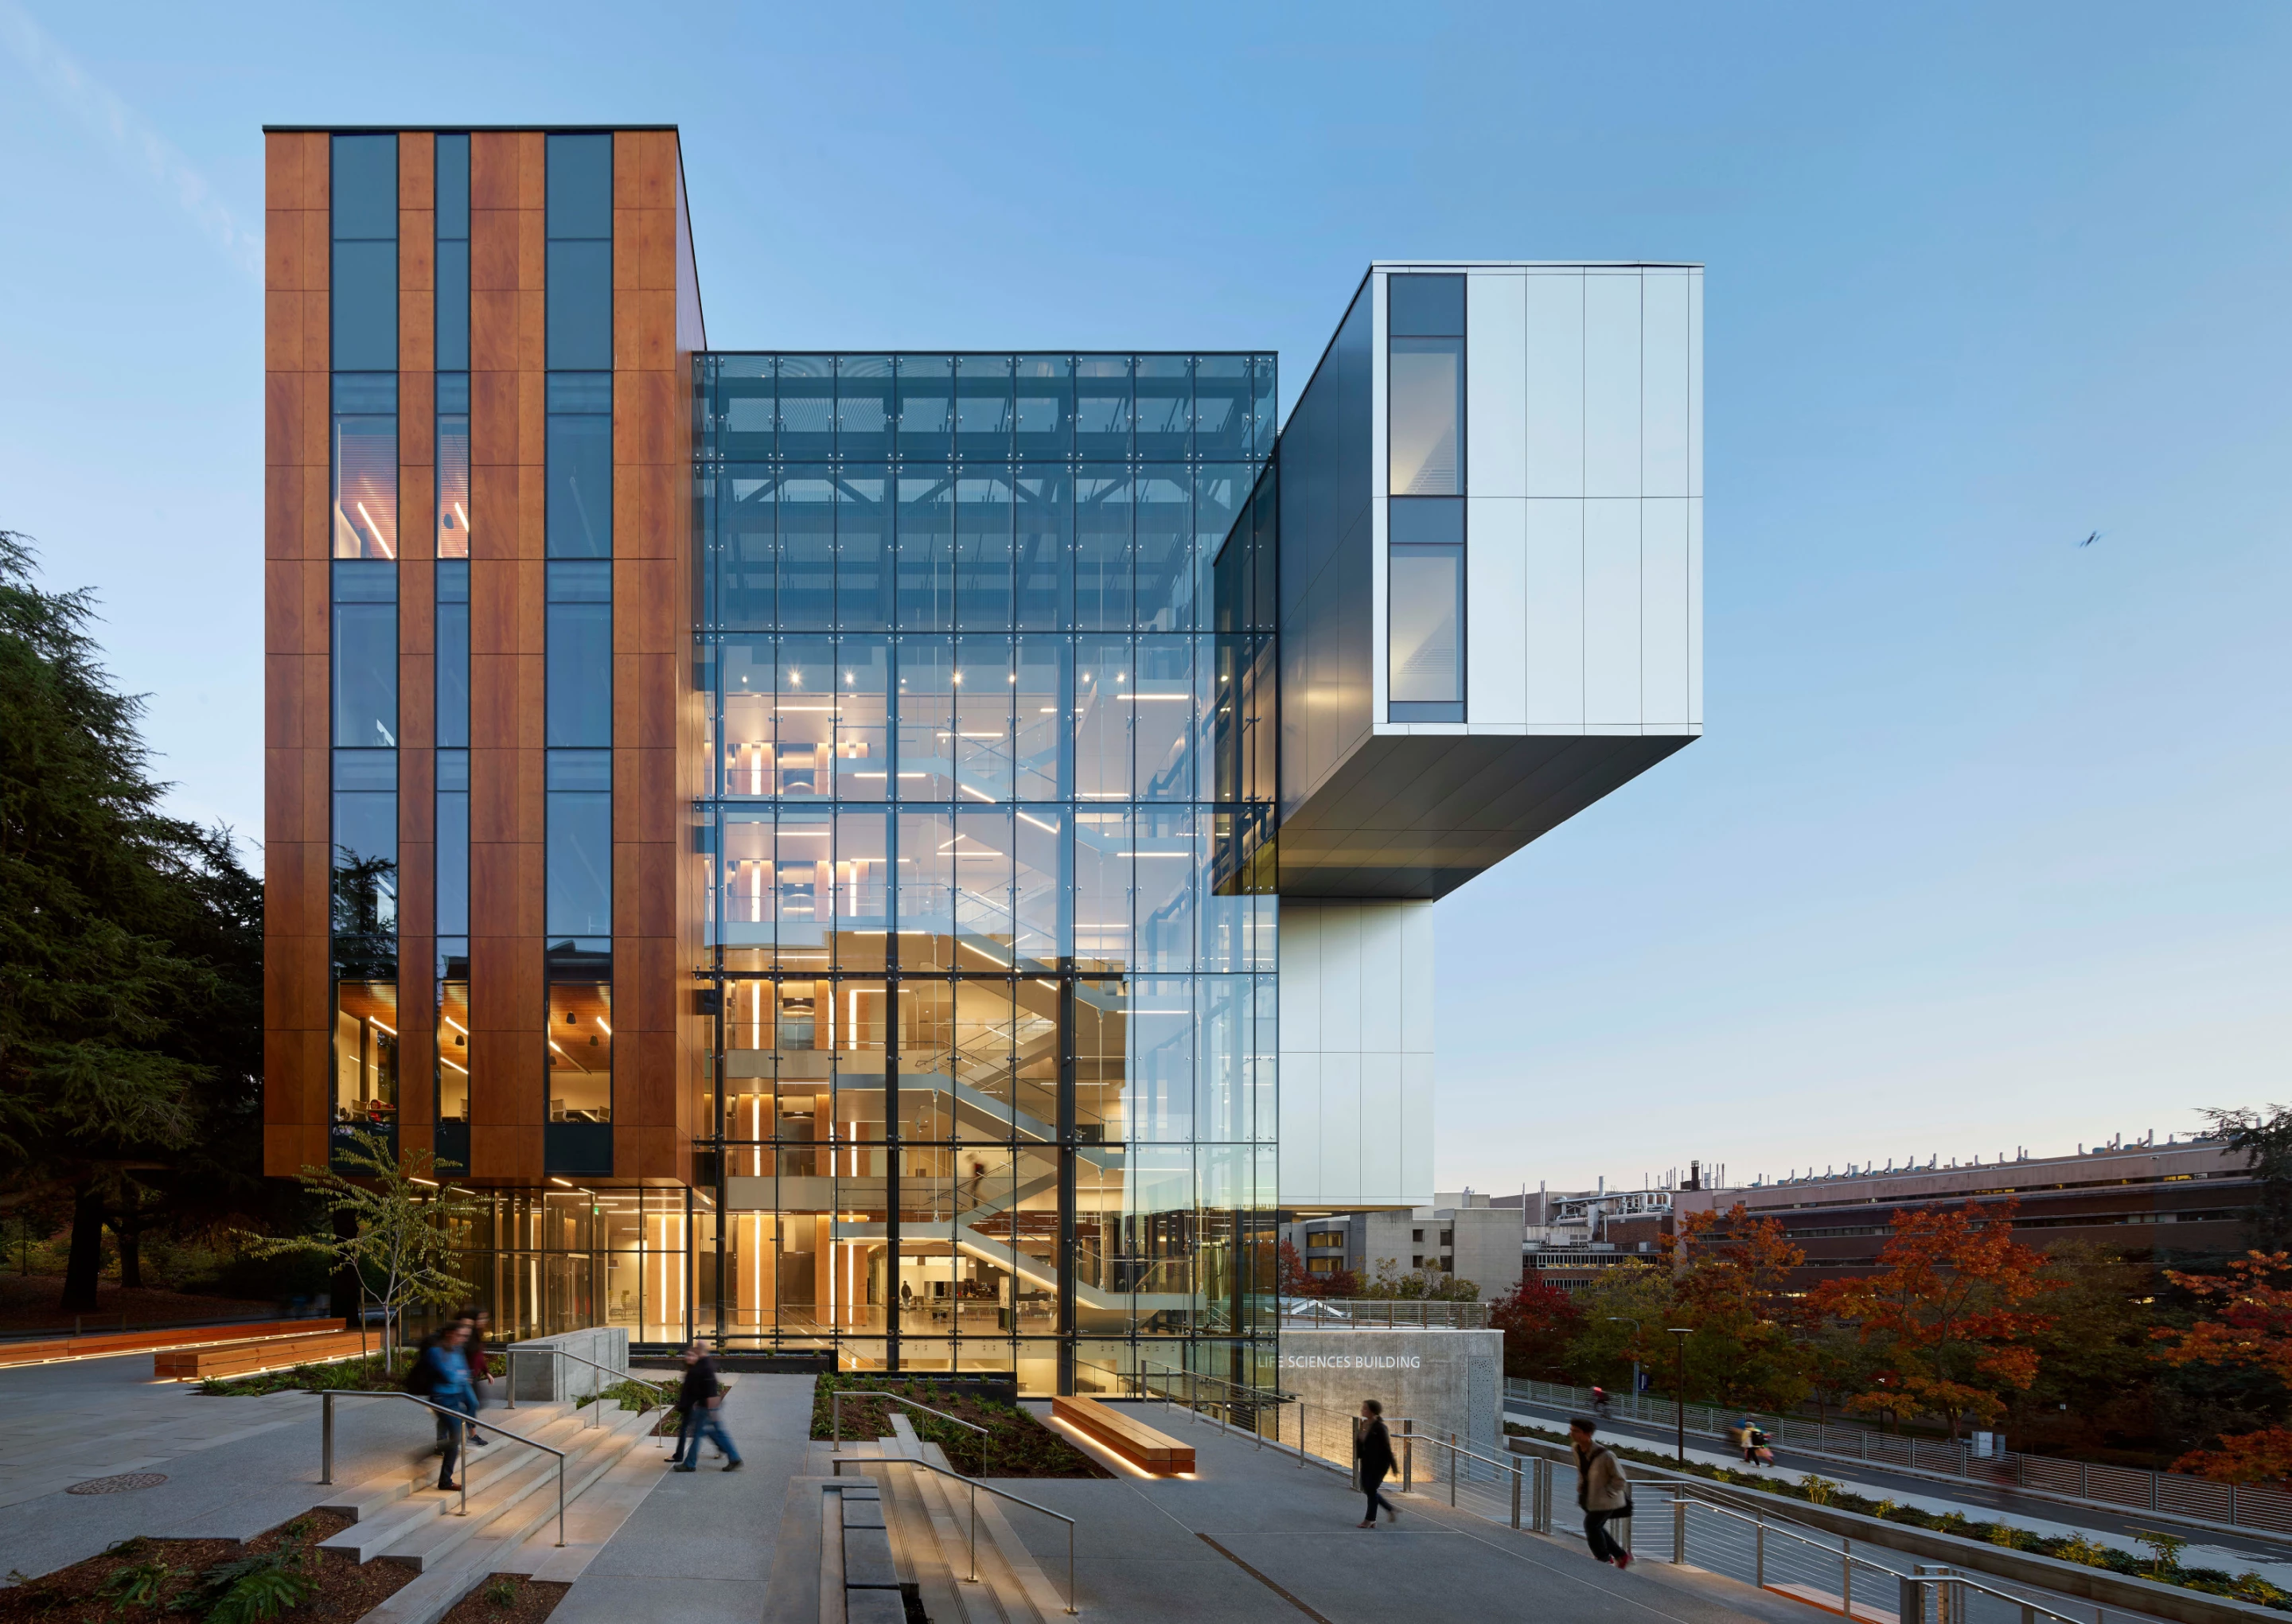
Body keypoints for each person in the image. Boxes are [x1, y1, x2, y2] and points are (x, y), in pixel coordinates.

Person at [425, 1322, 485, 1491]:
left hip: (454, 1398)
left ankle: (442, 1473)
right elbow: (450, 1375)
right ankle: (445, 1480)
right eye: (460, 1335)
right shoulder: (435, 1352)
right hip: (440, 1400)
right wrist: (459, 1376)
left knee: (454, 1438)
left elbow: (465, 1373)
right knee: (456, 1438)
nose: (463, 1339)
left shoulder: (457, 1351)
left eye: (464, 1336)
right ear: (450, 1334)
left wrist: (459, 1375)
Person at [670, 1338, 743, 1473]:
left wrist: (711, 1411)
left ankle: (690, 1464)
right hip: (705, 1407)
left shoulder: (705, 1366)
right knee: (716, 1433)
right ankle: (734, 1457)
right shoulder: (704, 1363)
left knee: (698, 1435)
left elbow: (710, 1390)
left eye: (696, 1348)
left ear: (700, 1350)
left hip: (706, 1408)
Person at [1569, 1416, 1631, 1569]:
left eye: (1576, 1431)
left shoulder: (1606, 1455)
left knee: (1591, 1525)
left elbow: (1620, 1479)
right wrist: (1581, 1486)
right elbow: (1583, 1471)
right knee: (1597, 1527)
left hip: (1606, 1500)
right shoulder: (1576, 1449)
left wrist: (1608, 1492)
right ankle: (1621, 1556)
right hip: (1588, 1497)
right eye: (1571, 1430)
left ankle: (1603, 1557)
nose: (1572, 1434)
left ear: (1588, 1434)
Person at [1351, 1399, 1399, 1528]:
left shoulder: (1380, 1427)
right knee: (1367, 1488)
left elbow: (1387, 1448)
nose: (1362, 1410)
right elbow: (1361, 1443)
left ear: (1372, 1411)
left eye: (1365, 1408)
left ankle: (1370, 1519)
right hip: (1367, 1461)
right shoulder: (1365, 1424)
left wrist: (1394, 1467)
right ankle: (1389, 1509)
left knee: (1371, 1489)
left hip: (1379, 1464)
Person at [462, 1308, 494, 1446]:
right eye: (481, 1319)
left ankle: (471, 1433)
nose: (483, 1321)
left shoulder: (476, 1335)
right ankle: (470, 1434)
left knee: (474, 1404)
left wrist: (486, 1371)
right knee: (472, 1404)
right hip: (465, 1377)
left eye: (484, 1319)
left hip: (472, 1375)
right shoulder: (466, 1335)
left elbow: (479, 1355)